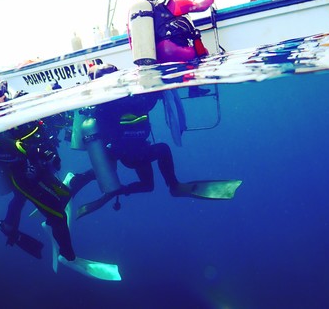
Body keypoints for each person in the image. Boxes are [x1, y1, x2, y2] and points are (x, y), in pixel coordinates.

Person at [0, 73, 95, 262]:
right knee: (58, 217)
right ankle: (67, 255)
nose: (3, 92)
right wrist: (21, 147)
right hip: (21, 176)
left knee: (65, 196)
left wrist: (53, 92)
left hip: (39, 165)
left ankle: (37, 220)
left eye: (3, 86)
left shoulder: (11, 102)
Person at [75, 64, 242, 219]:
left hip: (132, 149)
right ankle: (174, 186)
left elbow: (139, 105)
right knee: (163, 149)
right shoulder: (117, 102)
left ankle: (114, 190)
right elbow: (143, 103)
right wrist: (156, 84)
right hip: (132, 153)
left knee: (148, 186)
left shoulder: (103, 104)